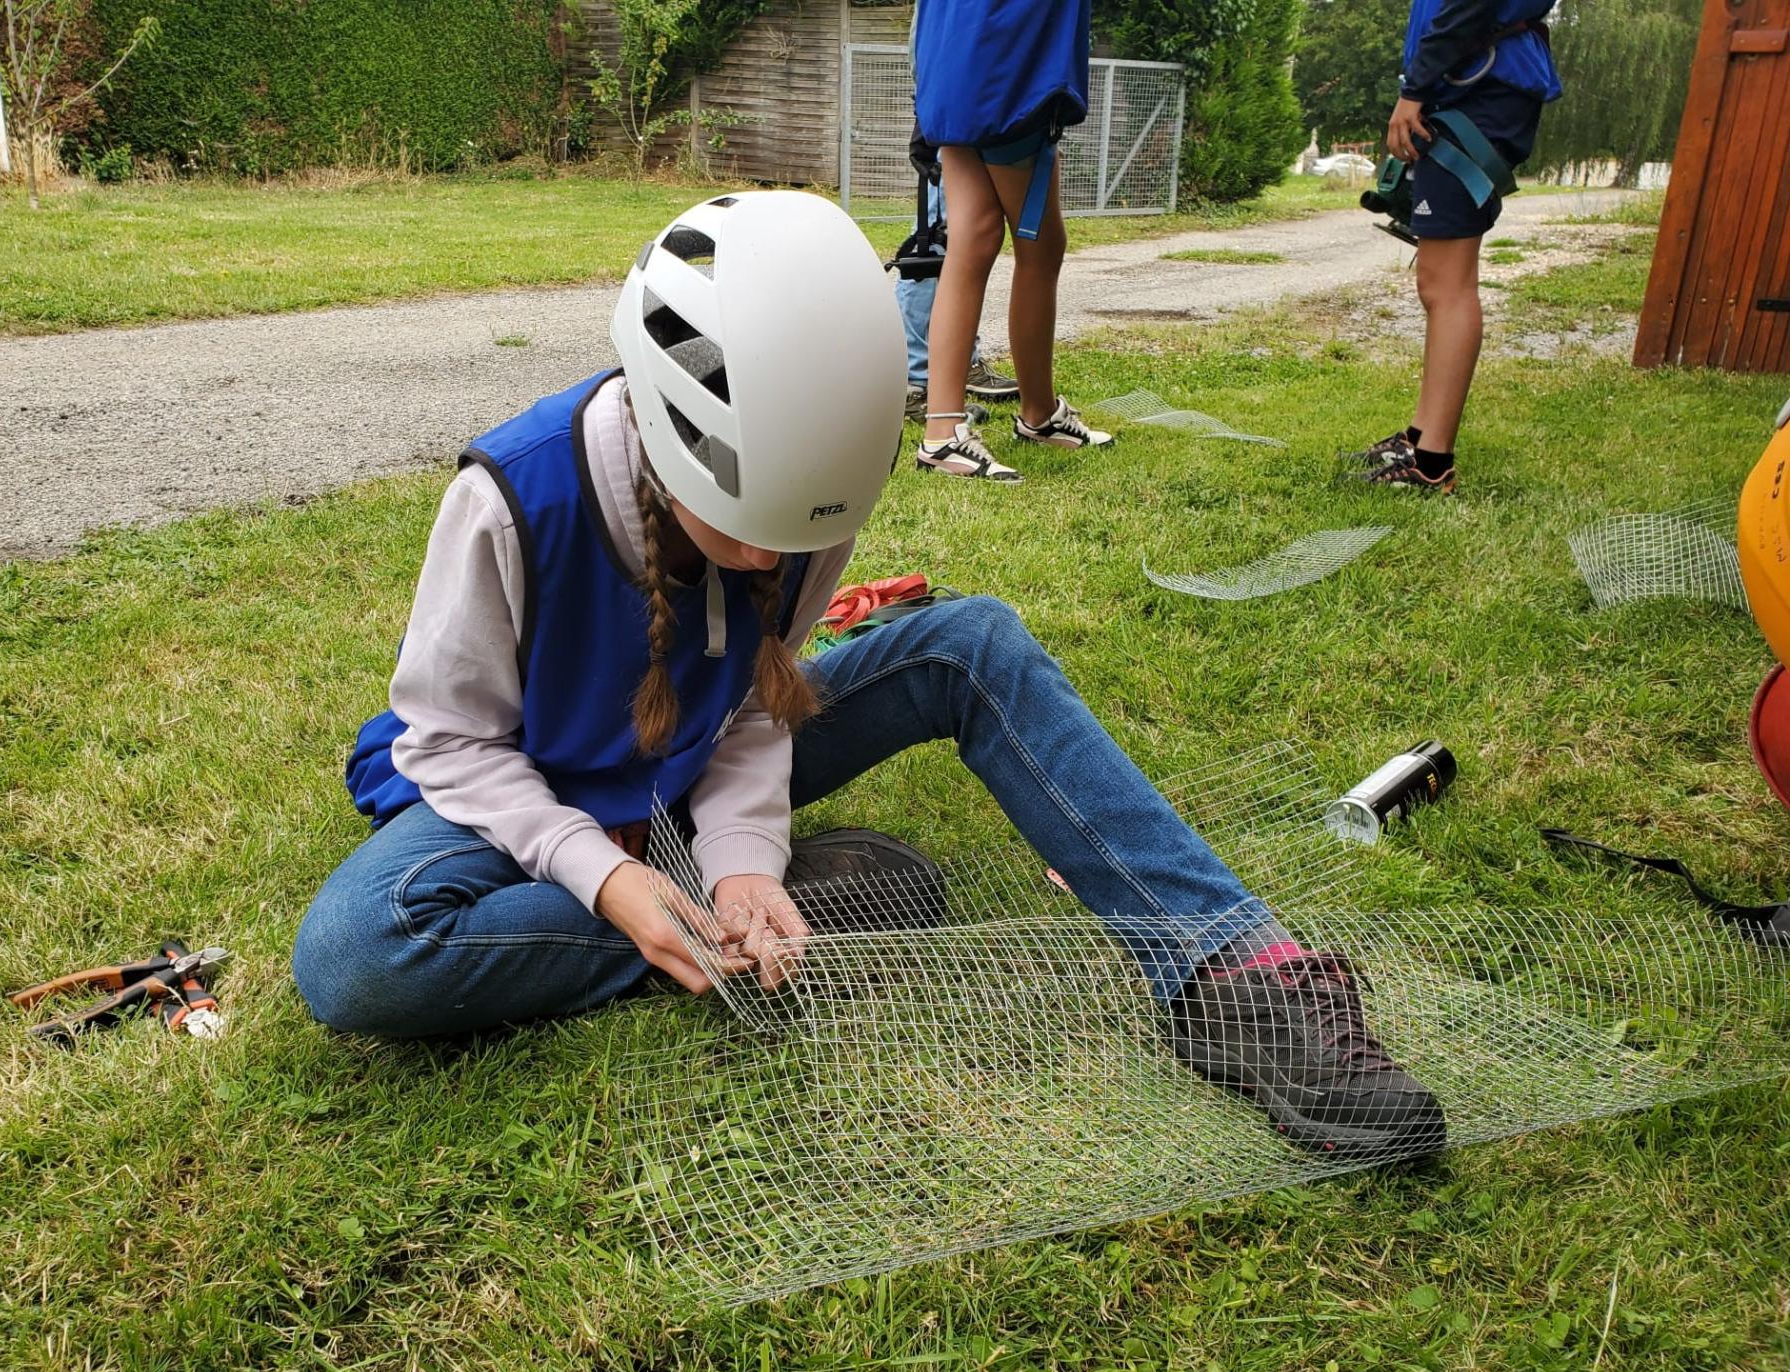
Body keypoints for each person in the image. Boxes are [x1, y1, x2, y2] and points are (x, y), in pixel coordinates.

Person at [292, 192, 1444, 1161]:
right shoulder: (510, 496)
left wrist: (741, 861)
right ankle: (700, 929)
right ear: (662, 423)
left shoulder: (815, 480)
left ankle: (1230, 971)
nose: (766, 560)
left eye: (790, 535)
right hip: (525, 789)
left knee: (969, 640)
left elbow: (752, 702)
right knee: (355, 954)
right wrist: (607, 881)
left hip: (690, 777)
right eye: (740, 529)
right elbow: (448, 745)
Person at [1351, 0, 1561, 496]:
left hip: (1478, 90)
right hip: (1471, 88)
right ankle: (1420, 437)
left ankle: (1430, 463)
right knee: (1438, 284)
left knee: (1448, 286)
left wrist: (1415, 90)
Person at [909, 0, 1113, 485]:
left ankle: (942, 430)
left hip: (955, 65)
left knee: (973, 238)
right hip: (1007, 69)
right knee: (1042, 246)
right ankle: (1038, 413)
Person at [892, 132, 1020, 425]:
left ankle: (963, 365)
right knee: (932, 246)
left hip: (971, 127)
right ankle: (913, 383)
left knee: (963, 247)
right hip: (949, 129)